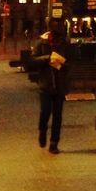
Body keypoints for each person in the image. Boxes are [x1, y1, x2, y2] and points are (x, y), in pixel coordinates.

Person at [33, 19, 70, 153]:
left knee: (57, 116)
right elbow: (32, 60)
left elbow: (71, 60)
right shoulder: (41, 43)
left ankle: (54, 143)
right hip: (46, 84)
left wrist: (62, 63)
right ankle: (42, 131)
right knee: (45, 112)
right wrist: (47, 58)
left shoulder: (64, 43)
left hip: (60, 84)